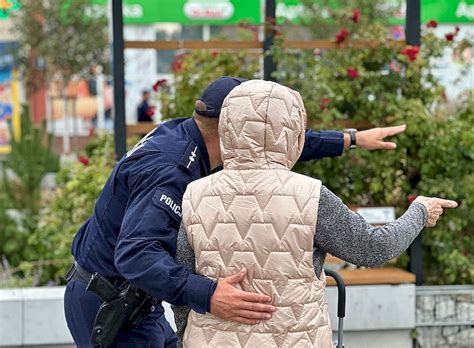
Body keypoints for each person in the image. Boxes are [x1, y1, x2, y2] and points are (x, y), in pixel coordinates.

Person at [64, 76, 408, 347]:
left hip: (136, 301)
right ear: (231, 124)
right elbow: (136, 254)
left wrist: (349, 139)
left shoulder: (193, 136)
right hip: (110, 305)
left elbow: (272, 144)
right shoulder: (169, 170)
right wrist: (209, 295)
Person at [174, 80, 457, 347]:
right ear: (293, 131)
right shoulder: (308, 195)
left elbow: (184, 284)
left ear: (228, 128)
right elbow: (373, 248)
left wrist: (187, 336)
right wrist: (420, 211)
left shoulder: (194, 194)